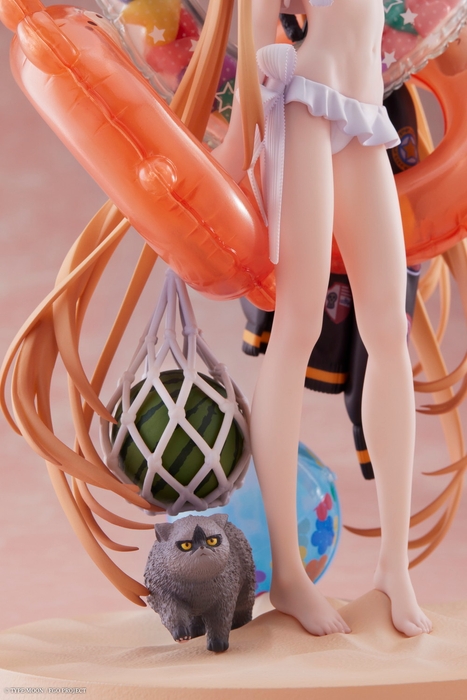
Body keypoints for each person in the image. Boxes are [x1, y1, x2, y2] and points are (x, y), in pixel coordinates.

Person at [212, 0, 432, 636]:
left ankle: (394, 567)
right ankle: (289, 572)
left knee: (388, 329)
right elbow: (258, 27)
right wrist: (237, 151)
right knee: (298, 324)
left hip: (365, 111)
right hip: (305, 105)